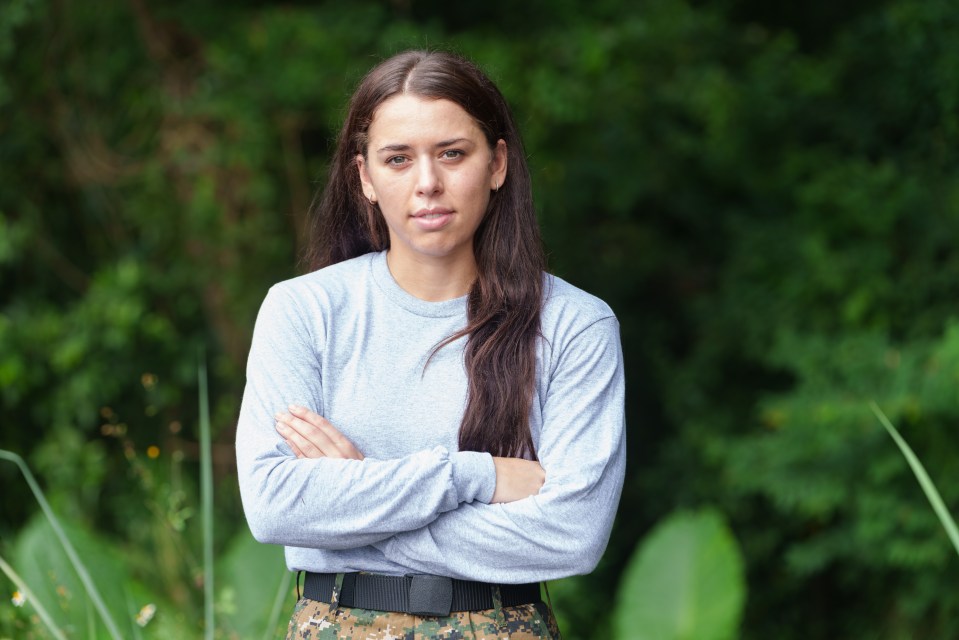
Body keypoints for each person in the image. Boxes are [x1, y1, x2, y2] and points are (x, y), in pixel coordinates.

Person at [235, 49, 626, 639]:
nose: (428, 184)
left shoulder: (575, 325)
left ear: (497, 164)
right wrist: (472, 477)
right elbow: (275, 505)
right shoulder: (304, 310)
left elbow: (571, 534)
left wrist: (358, 493)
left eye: (452, 153)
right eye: (398, 159)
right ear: (364, 176)